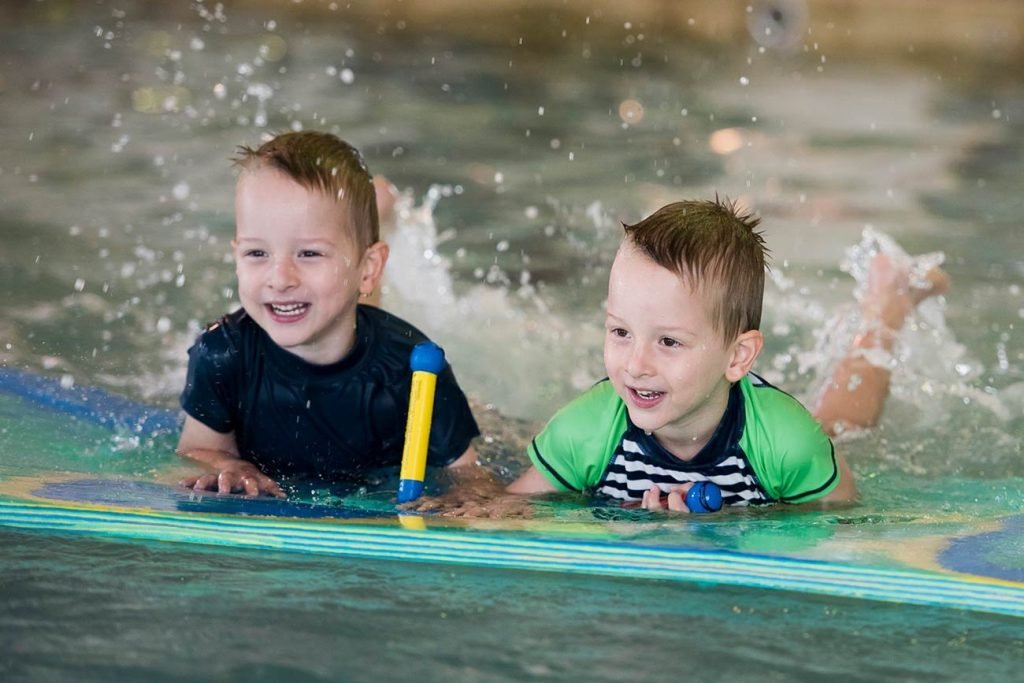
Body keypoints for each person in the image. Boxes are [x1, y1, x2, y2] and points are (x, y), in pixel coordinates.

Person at [504, 198, 948, 512]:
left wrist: (731, 521)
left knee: (843, 422)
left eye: (669, 342)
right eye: (621, 331)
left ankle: (889, 303)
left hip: (777, 446)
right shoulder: (585, 432)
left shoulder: (787, 444)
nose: (635, 365)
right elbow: (512, 512)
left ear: (738, 357)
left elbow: (847, 523)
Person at [176, 131, 481, 497]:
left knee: (349, 307)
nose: (280, 278)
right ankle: (367, 223)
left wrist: (470, 500)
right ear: (235, 254)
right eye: (257, 254)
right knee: (336, 299)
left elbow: (470, 478)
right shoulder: (223, 354)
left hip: (374, 350)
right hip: (341, 306)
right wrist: (231, 465)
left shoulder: (412, 371)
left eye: (309, 254)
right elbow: (195, 452)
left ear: (371, 266)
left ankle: (377, 216)